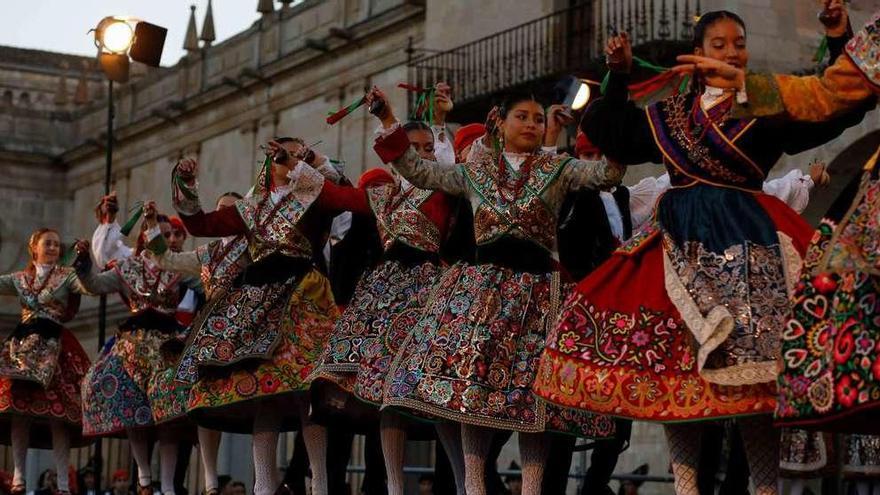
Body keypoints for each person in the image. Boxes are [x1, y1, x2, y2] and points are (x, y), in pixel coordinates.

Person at [533, 10, 868, 495]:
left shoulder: (766, 104)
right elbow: (611, 128)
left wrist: (839, 39)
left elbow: (835, 107)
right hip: (677, 244)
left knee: (755, 381)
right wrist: (620, 72)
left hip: (748, 245)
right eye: (720, 43)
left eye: (739, 42)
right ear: (698, 52)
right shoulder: (669, 116)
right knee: (674, 375)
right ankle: (687, 491)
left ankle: (766, 489)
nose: (732, 52)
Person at [366, 84, 621, 495]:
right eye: (522, 117)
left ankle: (531, 490)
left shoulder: (557, 168)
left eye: (538, 119)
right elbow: (419, 170)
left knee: (534, 398)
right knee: (471, 386)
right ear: (500, 123)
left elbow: (607, 173)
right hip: (482, 293)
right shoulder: (476, 171)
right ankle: (474, 487)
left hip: (539, 295)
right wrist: (387, 120)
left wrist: (612, 119)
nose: (532, 125)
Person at [309, 83, 467, 495]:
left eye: (425, 147)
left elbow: (446, 159)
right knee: (388, 394)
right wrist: (307, 164)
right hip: (383, 295)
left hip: (435, 291)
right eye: (410, 146)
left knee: (443, 391)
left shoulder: (446, 186)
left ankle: (467, 485)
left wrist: (436, 120)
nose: (418, 153)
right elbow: (338, 193)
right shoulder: (382, 196)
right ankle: (395, 489)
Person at [170, 137, 340, 495]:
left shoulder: (314, 195)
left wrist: (312, 160)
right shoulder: (251, 209)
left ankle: (320, 483)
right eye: (282, 153)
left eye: (295, 152)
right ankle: (263, 484)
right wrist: (185, 183)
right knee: (265, 392)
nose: (287, 158)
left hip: (304, 297)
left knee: (308, 389)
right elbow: (200, 224)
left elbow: (347, 194)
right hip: (259, 304)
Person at [75, 203, 203, 495]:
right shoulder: (127, 268)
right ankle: (144, 478)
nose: (165, 238)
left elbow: (206, 283)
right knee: (132, 408)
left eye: (170, 233)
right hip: (132, 345)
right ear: (143, 236)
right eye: (158, 232)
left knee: (169, 415)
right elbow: (94, 284)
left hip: (168, 346)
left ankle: (168, 486)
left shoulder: (177, 266)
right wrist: (82, 264)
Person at [142, 192, 247, 495]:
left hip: (247, 319)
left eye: (232, 210)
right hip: (210, 328)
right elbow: (167, 260)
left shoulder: (255, 245)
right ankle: (211, 480)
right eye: (220, 211)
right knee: (201, 395)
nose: (225, 215)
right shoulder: (208, 252)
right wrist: (151, 226)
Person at [0, 228, 92, 495]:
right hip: (23, 348)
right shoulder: (20, 279)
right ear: (34, 248)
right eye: (47, 243)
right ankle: (18, 476)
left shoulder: (66, 276)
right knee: (19, 410)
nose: (53, 247)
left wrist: (85, 262)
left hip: (56, 345)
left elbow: (87, 286)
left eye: (56, 244)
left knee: (59, 415)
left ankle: (63, 482)